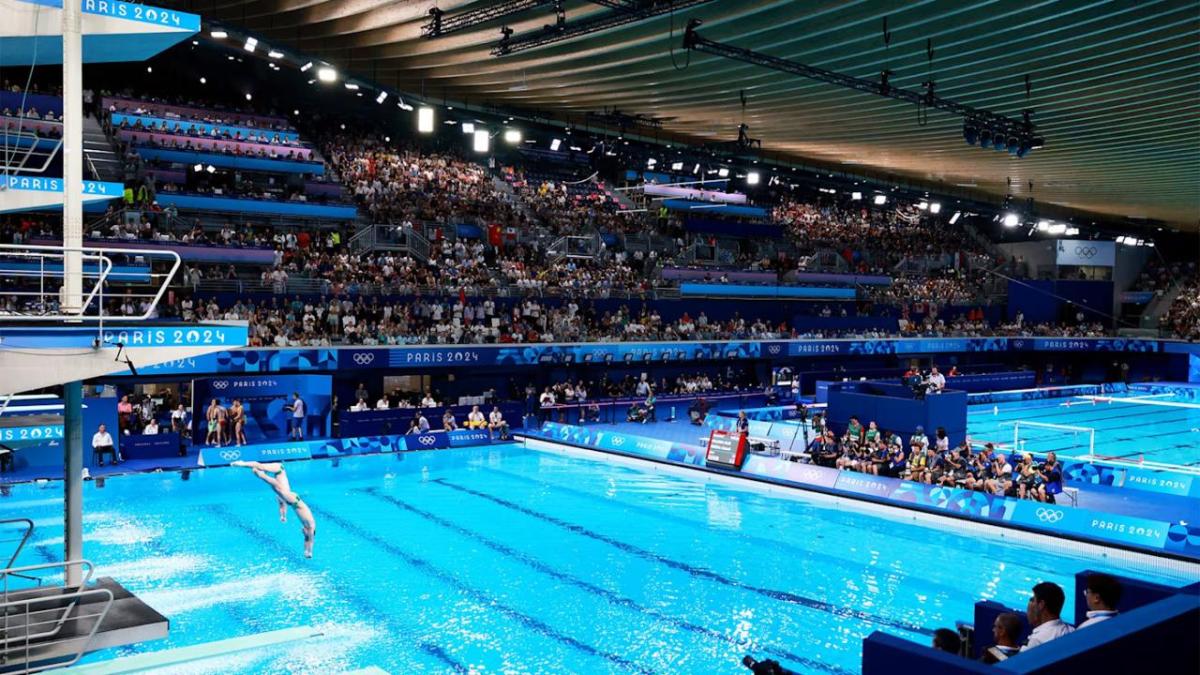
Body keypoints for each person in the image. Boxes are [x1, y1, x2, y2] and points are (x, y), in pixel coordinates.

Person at [231, 460, 316, 558]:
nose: (302, 532)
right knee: (262, 471)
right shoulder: (310, 526)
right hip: (280, 470)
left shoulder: (306, 526)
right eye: (304, 533)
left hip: (292, 500)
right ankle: (243, 464)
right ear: (310, 532)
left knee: (278, 492)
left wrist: (283, 516)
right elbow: (310, 540)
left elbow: (306, 540)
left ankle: (261, 474)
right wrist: (309, 552)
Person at [1022, 582, 1075, 651]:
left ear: (1041, 604)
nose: (1030, 603)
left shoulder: (1036, 641)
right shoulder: (1072, 631)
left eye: (1032, 600)